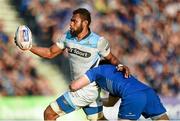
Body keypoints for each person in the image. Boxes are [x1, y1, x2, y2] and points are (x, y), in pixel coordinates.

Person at [15, 8, 130, 120]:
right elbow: (49, 53)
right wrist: (29, 47)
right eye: (71, 20)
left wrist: (120, 66)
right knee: (99, 119)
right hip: (86, 91)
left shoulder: (98, 42)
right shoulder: (67, 37)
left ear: (85, 23)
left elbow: (111, 58)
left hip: (85, 91)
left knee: (49, 113)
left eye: (74, 21)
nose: (70, 23)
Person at [70, 64, 169, 120]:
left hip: (132, 95)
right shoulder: (114, 75)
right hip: (149, 93)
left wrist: (73, 87)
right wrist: (97, 100)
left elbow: (74, 86)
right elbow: (110, 103)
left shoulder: (96, 71)